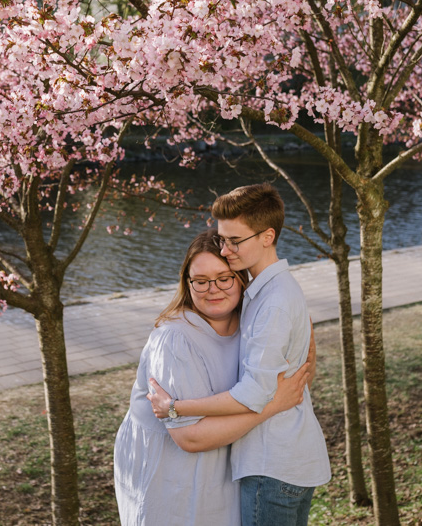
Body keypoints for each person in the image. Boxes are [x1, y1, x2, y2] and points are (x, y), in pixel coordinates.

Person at [147, 183, 331, 526]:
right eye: (223, 239)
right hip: (282, 461)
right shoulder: (270, 291)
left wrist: (176, 407)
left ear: (267, 237)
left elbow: (254, 394)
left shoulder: (273, 301)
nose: (226, 250)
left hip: (272, 465)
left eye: (235, 241)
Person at [113, 230, 312, 526]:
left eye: (224, 277)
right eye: (201, 281)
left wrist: (301, 325)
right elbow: (189, 437)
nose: (213, 289)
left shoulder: (256, 321)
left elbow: (299, 378)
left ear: (241, 279)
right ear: (187, 283)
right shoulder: (175, 340)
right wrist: (272, 405)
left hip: (225, 461)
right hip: (172, 470)